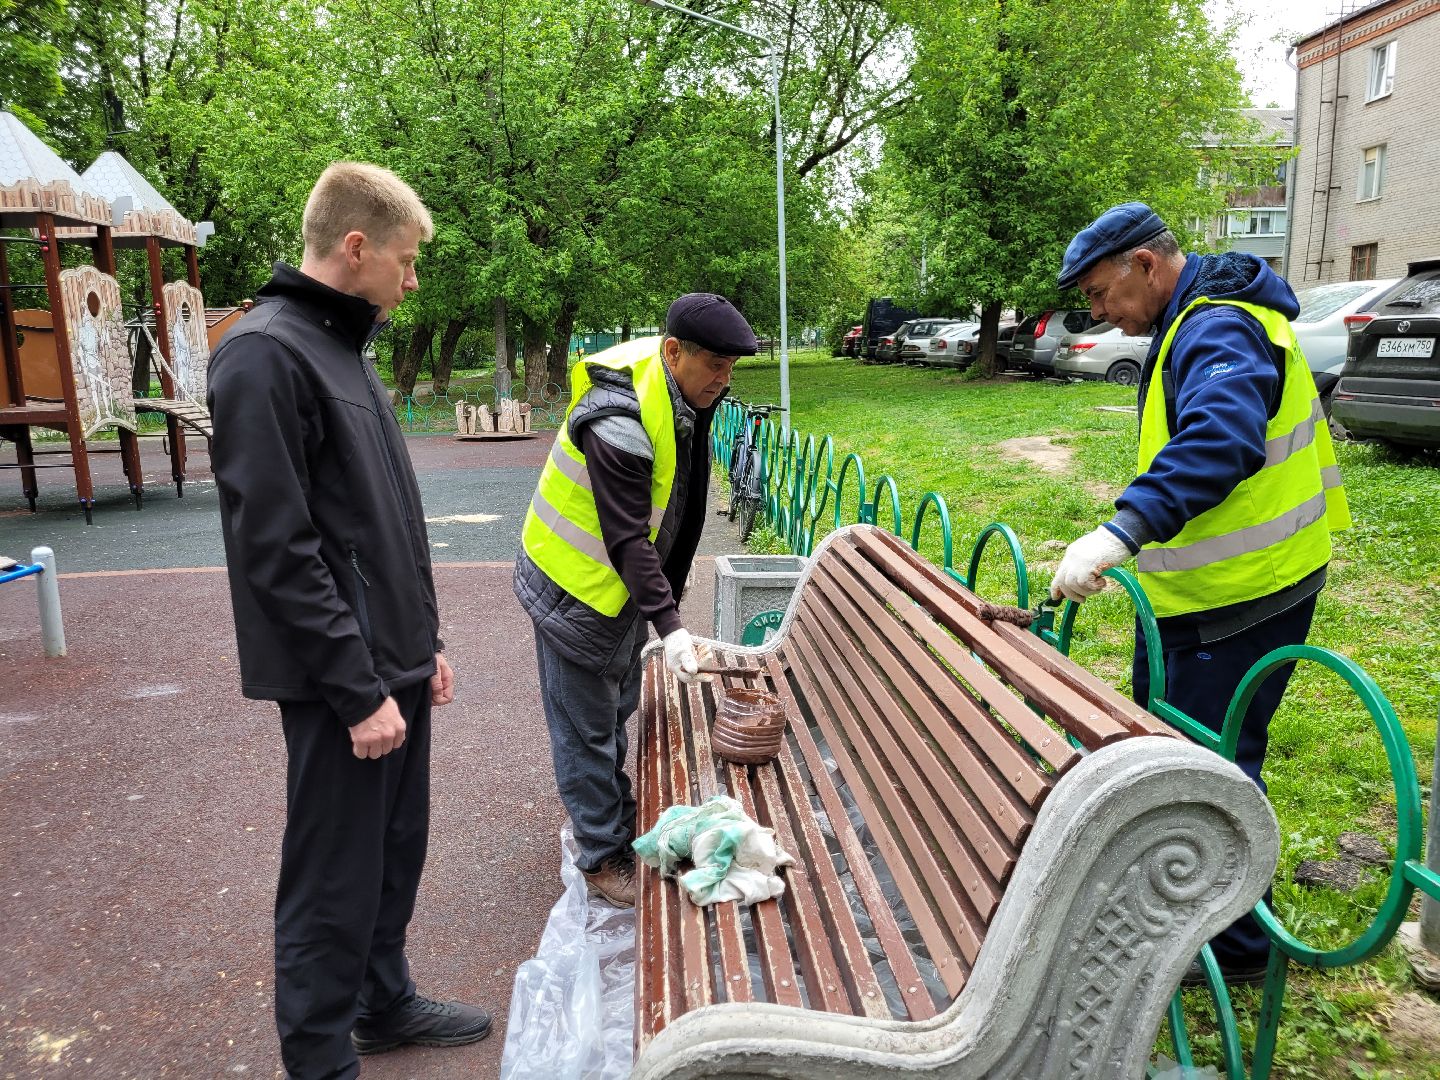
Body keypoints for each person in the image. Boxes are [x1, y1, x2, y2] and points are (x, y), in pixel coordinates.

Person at [208, 161, 491, 1079]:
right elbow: (278, 550)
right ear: (356, 246)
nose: (413, 283)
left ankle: (382, 1001)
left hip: (392, 658)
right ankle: (320, 1055)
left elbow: (388, 518)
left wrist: (428, 642)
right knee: (333, 871)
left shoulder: (345, 348)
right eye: (406, 263)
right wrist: (357, 688)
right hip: (343, 680)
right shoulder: (265, 353)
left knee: (393, 849)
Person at [1047, 201, 1351, 985]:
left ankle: (1234, 952)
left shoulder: (1218, 326)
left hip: (1247, 591)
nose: (1102, 315)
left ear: (1146, 265)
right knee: (1170, 749)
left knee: (1213, 773)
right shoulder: (1191, 322)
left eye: (1101, 293)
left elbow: (1221, 438)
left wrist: (1122, 531)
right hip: (1204, 592)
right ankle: (1187, 915)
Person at [513, 293, 757, 907]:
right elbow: (625, 536)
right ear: (674, 351)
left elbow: (682, 500)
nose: (723, 382)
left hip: (620, 593)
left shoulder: (684, 388)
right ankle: (601, 857)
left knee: (616, 701)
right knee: (585, 728)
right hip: (574, 590)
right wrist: (672, 626)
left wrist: (662, 605)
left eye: (732, 369)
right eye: (715, 367)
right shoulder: (618, 417)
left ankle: (613, 819)